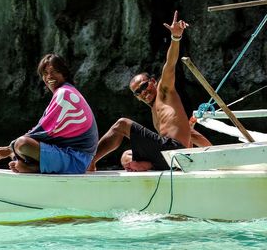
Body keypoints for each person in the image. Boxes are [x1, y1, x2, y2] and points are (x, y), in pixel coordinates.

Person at [87, 11, 211, 172]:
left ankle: (90, 161)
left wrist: (175, 37)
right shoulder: (156, 112)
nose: (143, 93)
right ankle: (150, 165)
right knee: (125, 156)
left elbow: (170, 63)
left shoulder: (164, 91)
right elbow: (191, 133)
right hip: (169, 156)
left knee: (122, 124)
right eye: (138, 93)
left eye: (144, 86)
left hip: (174, 151)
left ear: (153, 82)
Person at [0, 54, 98, 174]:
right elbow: (45, 132)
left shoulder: (64, 94)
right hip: (76, 157)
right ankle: (29, 165)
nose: (49, 76)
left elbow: (43, 130)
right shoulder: (67, 91)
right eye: (45, 73)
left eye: (54, 72)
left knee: (22, 144)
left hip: (77, 160)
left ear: (64, 74)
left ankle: (33, 168)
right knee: (19, 148)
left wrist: (10, 148)